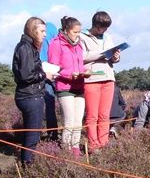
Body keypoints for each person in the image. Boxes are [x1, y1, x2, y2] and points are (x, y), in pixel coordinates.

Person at [12, 17, 54, 164]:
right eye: (42, 31)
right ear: (33, 30)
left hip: (31, 95)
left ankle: (27, 162)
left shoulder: (29, 47)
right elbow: (26, 75)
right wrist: (45, 75)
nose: (44, 34)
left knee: (32, 134)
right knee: (33, 135)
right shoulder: (25, 47)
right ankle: (28, 166)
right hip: (30, 96)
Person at [81, 11, 120, 152]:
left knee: (104, 115)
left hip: (108, 78)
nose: (105, 30)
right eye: (103, 27)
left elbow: (113, 59)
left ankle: (104, 143)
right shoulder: (82, 36)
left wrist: (115, 56)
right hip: (92, 79)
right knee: (92, 115)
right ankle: (93, 145)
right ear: (96, 25)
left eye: (107, 27)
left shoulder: (108, 37)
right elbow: (82, 56)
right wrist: (101, 55)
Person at [48, 16, 87, 157]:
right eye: (75, 32)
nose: (78, 35)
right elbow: (53, 69)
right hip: (64, 87)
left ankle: (75, 151)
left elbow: (80, 64)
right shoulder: (56, 44)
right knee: (69, 121)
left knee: (78, 122)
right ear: (66, 30)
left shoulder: (79, 45)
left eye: (79, 32)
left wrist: (84, 73)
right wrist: (69, 75)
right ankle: (66, 151)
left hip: (79, 86)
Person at [39, 22, 60, 141]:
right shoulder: (53, 29)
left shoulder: (41, 34)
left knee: (47, 105)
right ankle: (53, 135)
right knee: (53, 104)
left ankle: (51, 134)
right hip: (55, 71)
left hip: (44, 72)